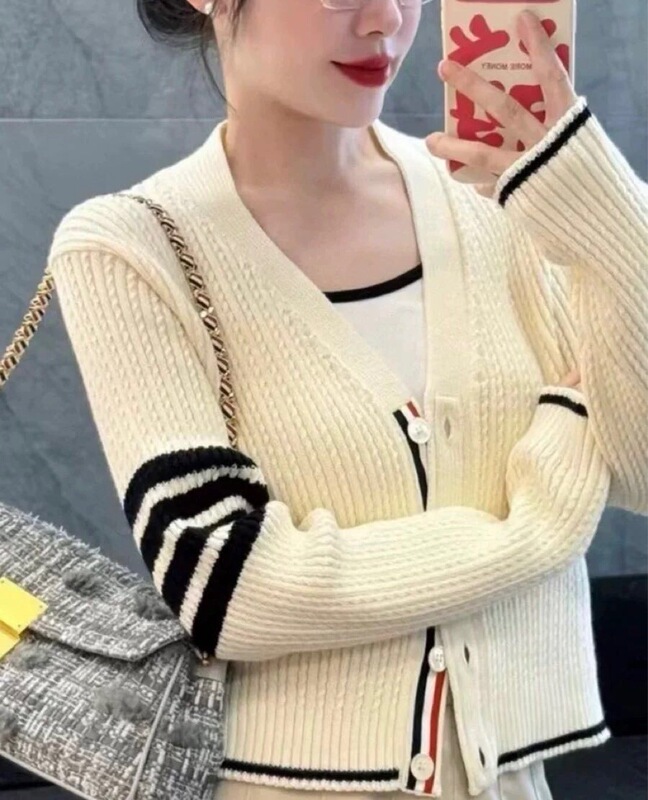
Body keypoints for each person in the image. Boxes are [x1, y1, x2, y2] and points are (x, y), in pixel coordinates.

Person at [45, 1, 647, 799]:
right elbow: (225, 587)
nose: (386, 20)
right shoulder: (134, 246)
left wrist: (610, 212)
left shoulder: (503, 196)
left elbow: (642, 474)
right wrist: (538, 531)